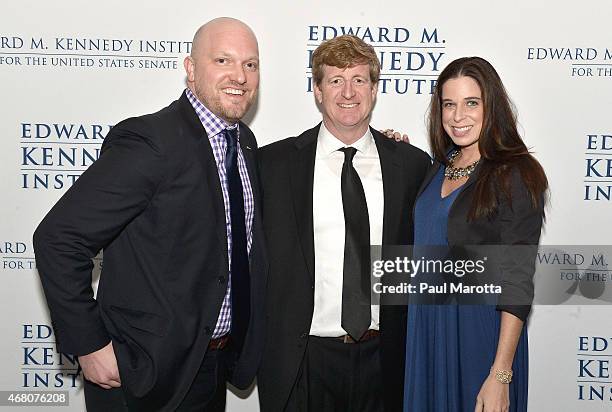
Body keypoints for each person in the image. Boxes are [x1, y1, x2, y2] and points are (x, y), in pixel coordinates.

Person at [33, 17, 267, 412]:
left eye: (250, 64)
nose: (239, 76)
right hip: (143, 377)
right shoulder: (150, 141)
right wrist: (90, 343)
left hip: (210, 368)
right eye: (223, 60)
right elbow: (58, 238)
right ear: (190, 69)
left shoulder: (243, 142)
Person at [257, 35, 430, 412]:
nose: (348, 92)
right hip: (302, 362)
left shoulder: (412, 166)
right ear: (318, 91)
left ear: (374, 89)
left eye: (359, 80)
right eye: (335, 80)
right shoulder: (273, 165)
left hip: (385, 359)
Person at [403, 57, 548, 412]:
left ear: (491, 106)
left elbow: (517, 279)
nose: (457, 116)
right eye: (449, 104)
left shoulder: (516, 173)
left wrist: (500, 372)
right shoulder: (437, 167)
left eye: (471, 103)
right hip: (427, 331)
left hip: (478, 336)